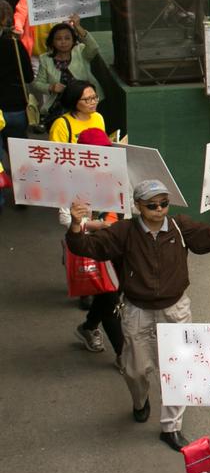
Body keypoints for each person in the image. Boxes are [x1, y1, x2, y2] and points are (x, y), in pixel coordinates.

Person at [65, 180, 210, 451]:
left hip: (175, 309)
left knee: (179, 370)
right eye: (152, 205)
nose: (160, 209)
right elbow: (86, 247)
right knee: (134, 369)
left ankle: (171, 427)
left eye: (164, 203)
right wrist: (76, 224)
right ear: (138, 206)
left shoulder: (179, 226)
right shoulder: (124, 231)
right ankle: (140, 402)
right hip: (137, 310)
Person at [63, 127, 124, 359]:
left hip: (116, 242)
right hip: (90, 245)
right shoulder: (69, 180)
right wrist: (94, 225)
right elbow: (64, 218)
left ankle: (88, 327)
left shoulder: (115, 175)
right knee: (109, 295)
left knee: (108, 290)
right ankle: (123, 354)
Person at [31, 17, 103, 120]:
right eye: (59, 39)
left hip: (84, 105)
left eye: (67, 38)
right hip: (59, 107)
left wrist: (78, 26)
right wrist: (51, 87)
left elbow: (94, 47)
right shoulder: (45, 59)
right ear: (52, 41)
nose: (63, 42)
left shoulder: (81, 51)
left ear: (73, 40)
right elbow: (37, 84)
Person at [0, 0, 32, 185]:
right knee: (18, 150)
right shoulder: (14, 44)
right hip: (14, 106)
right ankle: (24, 191)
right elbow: (28, 76)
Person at [47, 79, 104, 144]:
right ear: (74, 100)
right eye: (87, 99)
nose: (94, 102)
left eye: (95, 97)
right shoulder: (61, 124)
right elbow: (56, 151)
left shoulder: (98, 117)